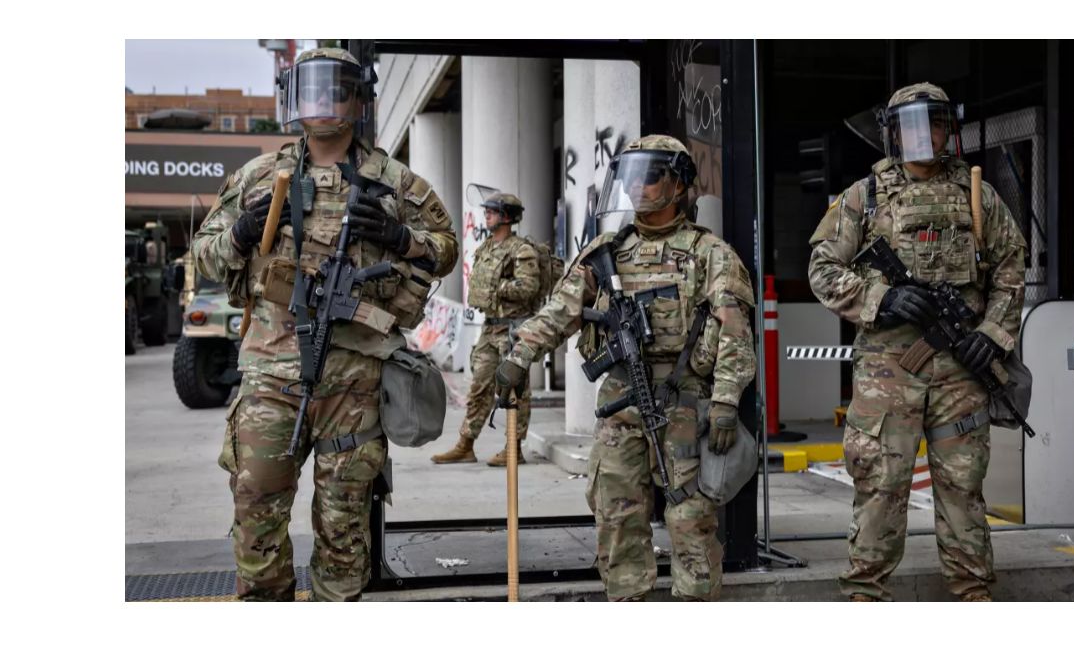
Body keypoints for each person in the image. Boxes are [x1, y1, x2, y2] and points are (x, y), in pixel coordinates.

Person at [192, 46, 458, 601]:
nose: (322, 102)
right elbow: (205, 258)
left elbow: (446, 250)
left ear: (357, 101)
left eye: (336, 90)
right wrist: (241, 232)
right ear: (295, 98)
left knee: (344, 527)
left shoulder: (395, 181)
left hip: (354, 382)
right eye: (311, 90)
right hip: (272, 377)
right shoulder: (260, 177)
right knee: (256, 510)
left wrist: (400, 237)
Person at [494, 135, 756, 601]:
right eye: (632, 176)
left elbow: (734, 332)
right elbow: (561, 310)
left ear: (679, 184)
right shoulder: (608, 251)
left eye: (650, 176)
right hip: (620, 400)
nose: (637, 186)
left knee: (689, 517)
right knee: (616, 512)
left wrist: (726, 400)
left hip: (683, 402)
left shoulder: (710, 253)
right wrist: (519, 357)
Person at [807, 82, 1027, 602]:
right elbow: (822, 269)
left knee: (963, 488)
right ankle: (865, 592)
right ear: (893, 135)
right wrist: (882, 297)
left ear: (949, 130)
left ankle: (972, 591)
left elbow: (1010, 268)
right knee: (880, 484)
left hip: (961, 368)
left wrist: (992, 334)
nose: (924, 136)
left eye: (934, 124)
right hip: (888, 372)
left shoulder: (978, 195)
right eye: (912, 126)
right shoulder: (864, 197)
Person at [431, 192, 540, 467]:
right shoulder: (487, 247)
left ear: (506, 216)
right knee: (479, 387)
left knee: (515, 390)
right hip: (490, 329)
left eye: (492, 211)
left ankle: (514, 448)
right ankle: (465, 445)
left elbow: (529, 287)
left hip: (513, 331)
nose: (486, 215)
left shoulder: (521, 250)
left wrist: (496, 288)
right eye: (487, 211)